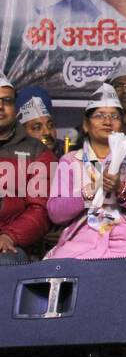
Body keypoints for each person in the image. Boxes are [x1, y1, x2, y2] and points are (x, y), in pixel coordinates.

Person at [46, 83, 126, 260]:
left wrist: (121, 189)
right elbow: (55, 212)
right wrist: (87, 194)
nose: (107, 121)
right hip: (81, 240)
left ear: (122, 126)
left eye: (114, 116)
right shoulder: (70, 161)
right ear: (85, 124)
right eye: (99, 115)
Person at [0, 74, 56, 262]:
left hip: (10, 244)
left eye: (6, 101)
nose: (0, 106)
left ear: (14, 107)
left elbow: (40, 209)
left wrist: (10, 236)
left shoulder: (36, 151)